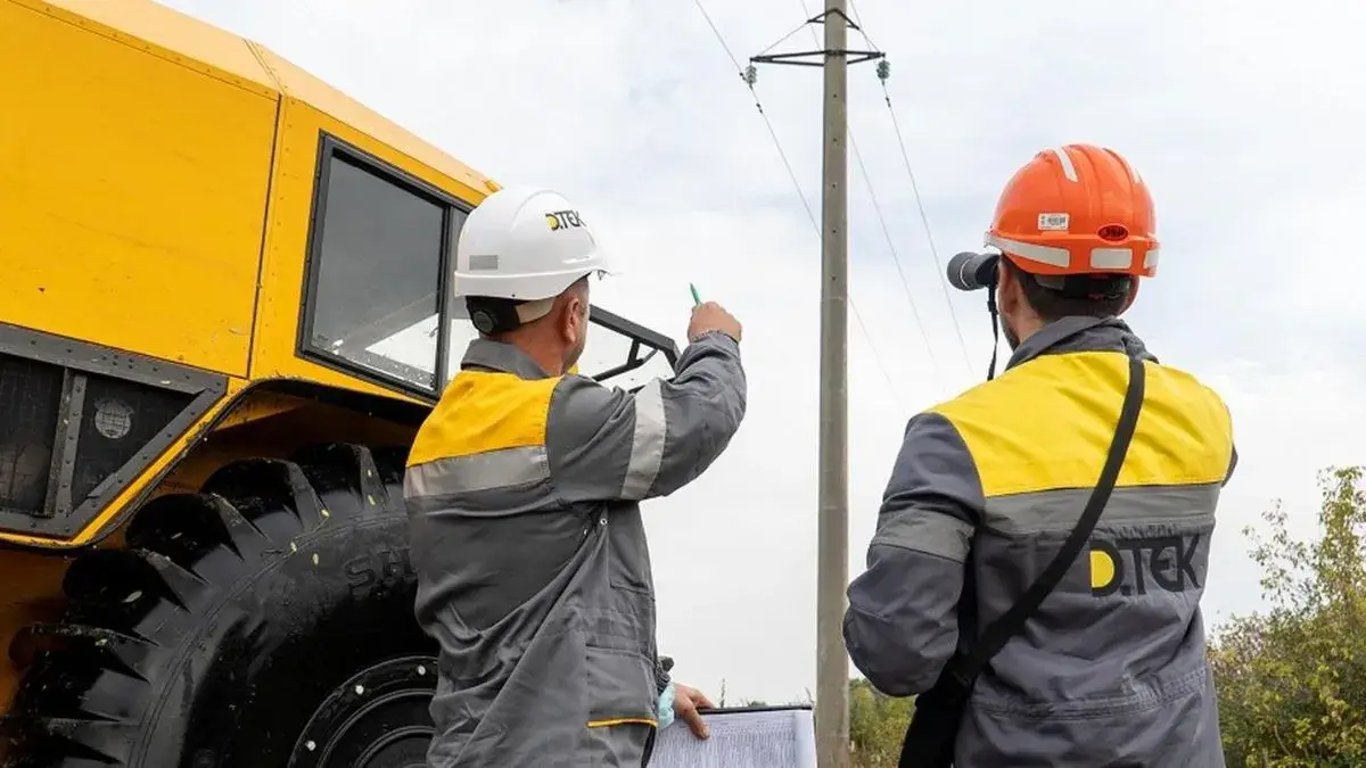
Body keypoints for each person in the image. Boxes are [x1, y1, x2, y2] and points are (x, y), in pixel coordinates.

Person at [843, 144, 1237, 766]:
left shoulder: (954, 436)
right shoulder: (1205, 416)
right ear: (1128, 290)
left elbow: (898, 655)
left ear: (1005, 285)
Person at [404, 186, 747, 767]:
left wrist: (653, 692)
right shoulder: (554, 420)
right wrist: (716, 342)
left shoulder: (437, 434)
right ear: (572, 314)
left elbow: (526, 611)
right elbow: (698, 419)